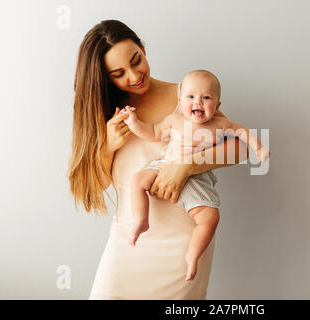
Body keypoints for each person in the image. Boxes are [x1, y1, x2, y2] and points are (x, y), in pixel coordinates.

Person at [67, 20, 248, 299]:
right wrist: (107, 147)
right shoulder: (105, 115)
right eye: (119, 73)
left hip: (183, 247)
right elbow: (90, 188)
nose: (134, 75)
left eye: (136, 60)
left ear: (142, 47)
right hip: (129, 242)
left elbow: (242, 148)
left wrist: (185, 167)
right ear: (105, 78)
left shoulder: (189, 97)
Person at [119, 70, 270, 281]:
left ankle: (193, 255)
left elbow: (243, 134)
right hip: (165, 165)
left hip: (196, 178)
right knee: (137, 180)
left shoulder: (220, 124)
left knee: (210, 218)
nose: (198, 102)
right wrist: (133, 122)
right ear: (180, 101)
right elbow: (152, 132)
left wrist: (259, 149)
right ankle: (142, 220)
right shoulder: (174, 119)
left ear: (217, 105)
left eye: (206, 98)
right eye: (191, 97)